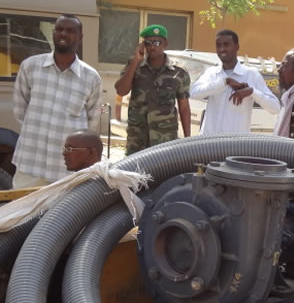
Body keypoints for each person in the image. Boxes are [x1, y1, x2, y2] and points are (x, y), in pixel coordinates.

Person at [12, 14, 102, 189]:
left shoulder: (91, 77)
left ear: (80, 37)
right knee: (23, 207)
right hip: (30, 163)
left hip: (65, 170)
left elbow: (91, 123)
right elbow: (20, 110)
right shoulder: (30, 66)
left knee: (64, 209)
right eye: (59, 29)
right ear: (53, 34)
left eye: (70, 31)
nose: (63, 34)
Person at [115, 24, 191, 155]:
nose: (152, 47)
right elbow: (121, 90)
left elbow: (184, 108)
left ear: (165, 44)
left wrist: (188, 139)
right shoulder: (134, 66)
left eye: (157, 43)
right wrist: (135, 62)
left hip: (165, 140)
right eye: (148, 43)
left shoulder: (178, 72)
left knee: (165, 168)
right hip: (137, 139)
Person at [190, 29, 280, 135]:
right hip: (209, 141)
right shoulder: (212, 73)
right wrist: (225, 82)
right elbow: (193, 93)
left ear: (237, 47)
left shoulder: (250, 74)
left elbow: (275, 108)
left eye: (226, 45)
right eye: (218, 45)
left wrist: (252, 92)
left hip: (235, 143)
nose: (222, 49)